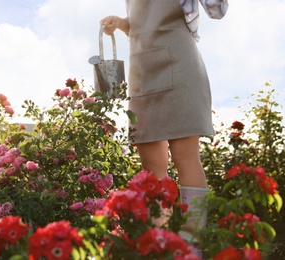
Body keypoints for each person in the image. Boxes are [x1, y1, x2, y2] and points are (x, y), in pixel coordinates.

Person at [100, 0, 228, 257]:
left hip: (181, 62)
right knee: (151, 168)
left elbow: (218, 10)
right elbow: (141, 23)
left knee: (186, 155)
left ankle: (192, 244)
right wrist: (123, 23)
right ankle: (161, 247)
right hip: (143, 68)